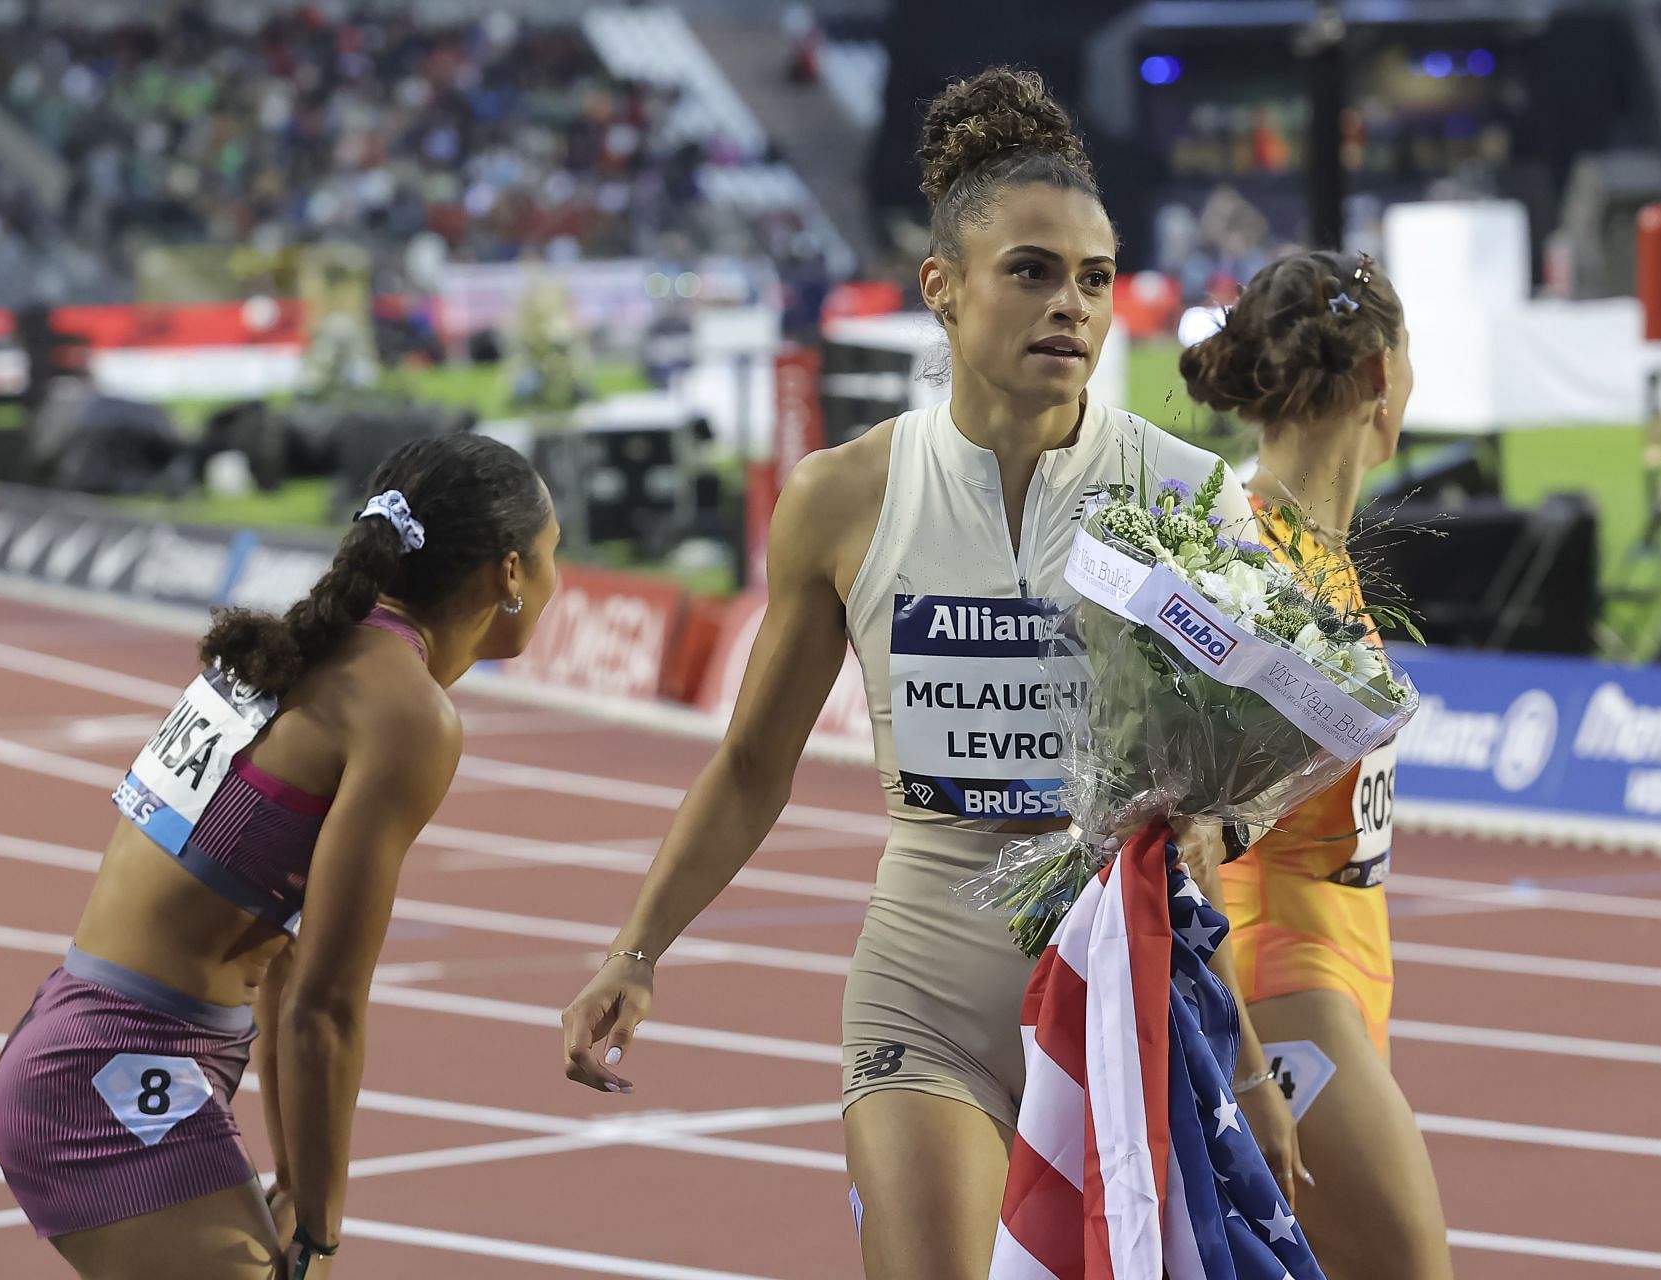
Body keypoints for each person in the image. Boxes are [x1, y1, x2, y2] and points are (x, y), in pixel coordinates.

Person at [560, 67, 1304, 1277]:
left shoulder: (1182, 498)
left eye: (1096, 278)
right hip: (926, 983)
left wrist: (1249, 1055)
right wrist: (635, 950)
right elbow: (753, 764)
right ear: (943, 290)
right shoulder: (843, 497)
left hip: (1121, 983)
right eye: (1032, 270)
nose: (1072, 304)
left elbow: (1207, 823)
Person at [0, 434, 560, 1279]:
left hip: (96, 1045)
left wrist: (298, 1183)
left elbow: (290, 962)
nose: (559, 580)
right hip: (117, 1072)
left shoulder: (314, 643)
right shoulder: (404, 714)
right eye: (555, 557)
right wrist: (322, 1233)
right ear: (509, 574)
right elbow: (327, 1008)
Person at [1178, 250, 1454, 1279]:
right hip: (1283, 988)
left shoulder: (1311, 552)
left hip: (1333, 978)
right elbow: (1184, 829)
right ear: (1383, 375)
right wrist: (1243, 1054)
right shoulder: (1249, 556)